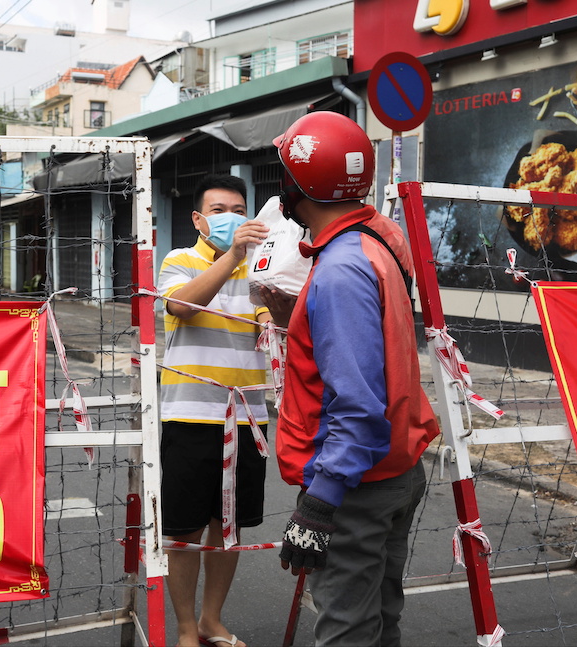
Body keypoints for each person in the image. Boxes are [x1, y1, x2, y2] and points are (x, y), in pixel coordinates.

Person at [272, 111, 440, 646]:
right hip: (396, 467)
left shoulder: (341, 271)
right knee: (379, 618)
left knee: (347, 629)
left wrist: (320, 503)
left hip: (355, 485)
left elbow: (357, 406)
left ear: (299, 187)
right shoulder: (379, 237)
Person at [157, 174, 271, 647]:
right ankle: (185, 628)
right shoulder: (178, 260)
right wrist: (232, 257)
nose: (231, 218)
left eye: (239, 209)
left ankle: (211, 620)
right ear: (199, 219)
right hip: (188, 415)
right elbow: (182, 305)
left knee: (229, 528)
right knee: (183, 529)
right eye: (220, 210)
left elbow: (280, 325)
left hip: (248, 418)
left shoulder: (263, 269)